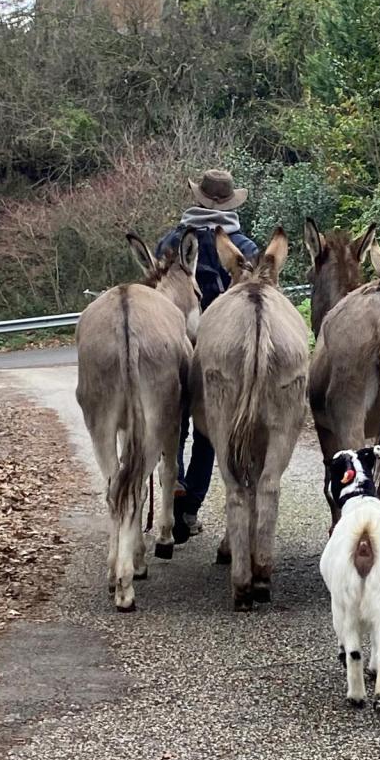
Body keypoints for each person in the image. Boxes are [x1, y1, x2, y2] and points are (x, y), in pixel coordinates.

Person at [156, 168, 258, 544]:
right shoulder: (245, 247)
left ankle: (176, 487)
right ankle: (191, 508)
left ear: (198, 198)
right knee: (207, 430)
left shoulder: (172, 240)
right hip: (221, 346)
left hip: (173, 341)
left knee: (173, 422)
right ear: (230, 203)